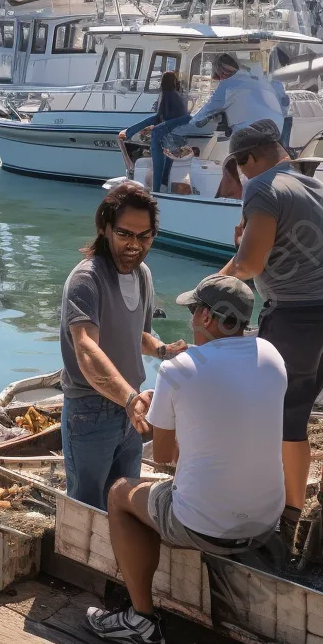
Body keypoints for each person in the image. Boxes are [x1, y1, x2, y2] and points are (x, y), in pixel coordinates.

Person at [85, 275, 286, 644]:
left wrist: (163, 404)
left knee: (118, 493)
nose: (191, 319)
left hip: (206, 525)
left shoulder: (178, 369)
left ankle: (141, 621)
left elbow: (163, 459)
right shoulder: (272, 355)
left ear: (208, 317)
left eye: (194, 311)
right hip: (266, 520)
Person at [218, 119, 323, 534]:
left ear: (250, 158)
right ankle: (292, 508)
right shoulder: (314, 185)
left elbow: (250, 264)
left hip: (293, 317)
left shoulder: (262, 187)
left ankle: (281, 511)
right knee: (295, 417)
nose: (241, 177)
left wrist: (215, 285)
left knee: (272, 416)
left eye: (240, 167)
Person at [60, 182, 187, 510]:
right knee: (86, 507)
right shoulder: (86, 280)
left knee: (124, 501)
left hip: (132, 406)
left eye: (144, 236)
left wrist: (162, 350)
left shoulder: (143, 274)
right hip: (91, 411)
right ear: (104, 229)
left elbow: (137, 335)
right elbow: (86, 347)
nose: (134, 245)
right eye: (125, 234)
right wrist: (128, 398)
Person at [177, 52, 284, 138]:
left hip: (252, 132)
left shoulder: (228, 85)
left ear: (221, 72)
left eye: (218, 76)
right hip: (277, 129)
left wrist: (182, 129)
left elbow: (206, 111)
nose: (219, 80)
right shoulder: (258, 80)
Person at [118, 70, 191, 192]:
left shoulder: (167, 94)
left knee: (158, 162)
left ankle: (157, 190)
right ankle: (163, 185)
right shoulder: (178, 96)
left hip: (168, 136)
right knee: (167, 164)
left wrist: (147, 128)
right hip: (179, 136)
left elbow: (160, 118)